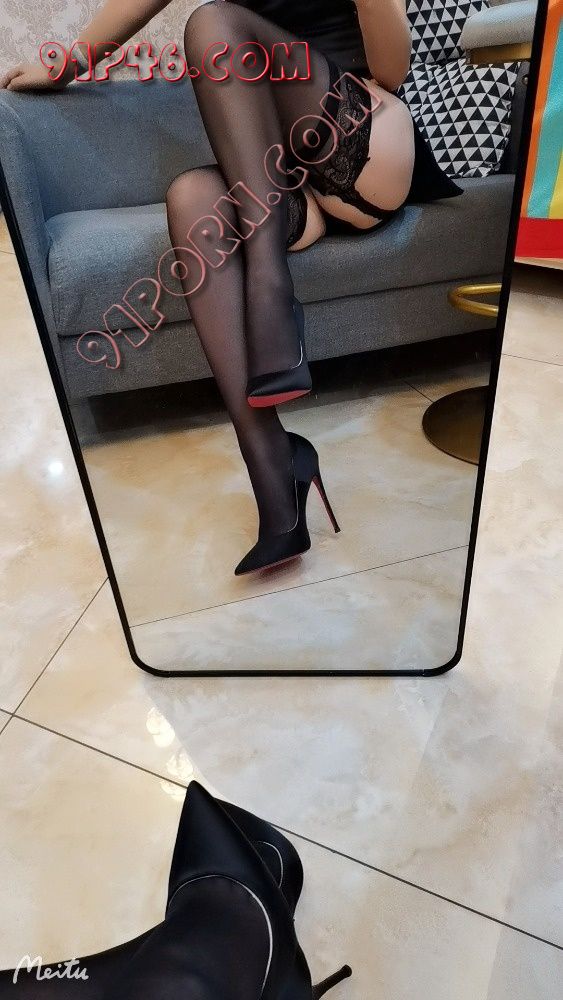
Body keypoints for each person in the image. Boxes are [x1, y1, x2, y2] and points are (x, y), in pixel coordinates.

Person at [0, 0, 461, 576]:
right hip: (284, 186)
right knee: (192, 200)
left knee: (212, 21)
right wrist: (66, 65)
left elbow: (391, 72)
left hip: (360, 140)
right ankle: (274, 468)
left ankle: (272, 293)